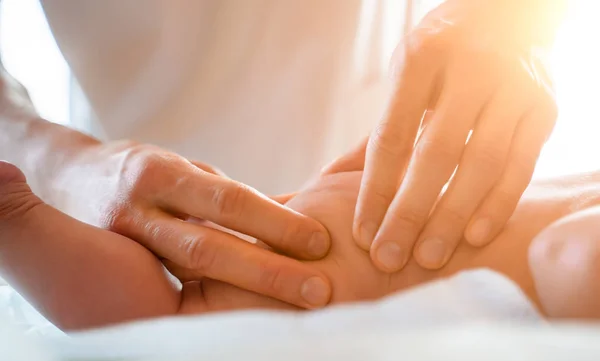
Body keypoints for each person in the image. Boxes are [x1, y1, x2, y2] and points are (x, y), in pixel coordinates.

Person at [0, 0, 566, 306]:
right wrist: (52, 159)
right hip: (136, 189)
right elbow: (571, 258)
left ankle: (14, 219)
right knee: (169, 306)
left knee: (170, 309)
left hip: (380, 177)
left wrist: (510, 17)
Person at [1, 158, 599, 331]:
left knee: (157, 314)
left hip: (299, 285)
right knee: (163, 300)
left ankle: (15, 219)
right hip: (332, 209)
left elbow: (569, 259)